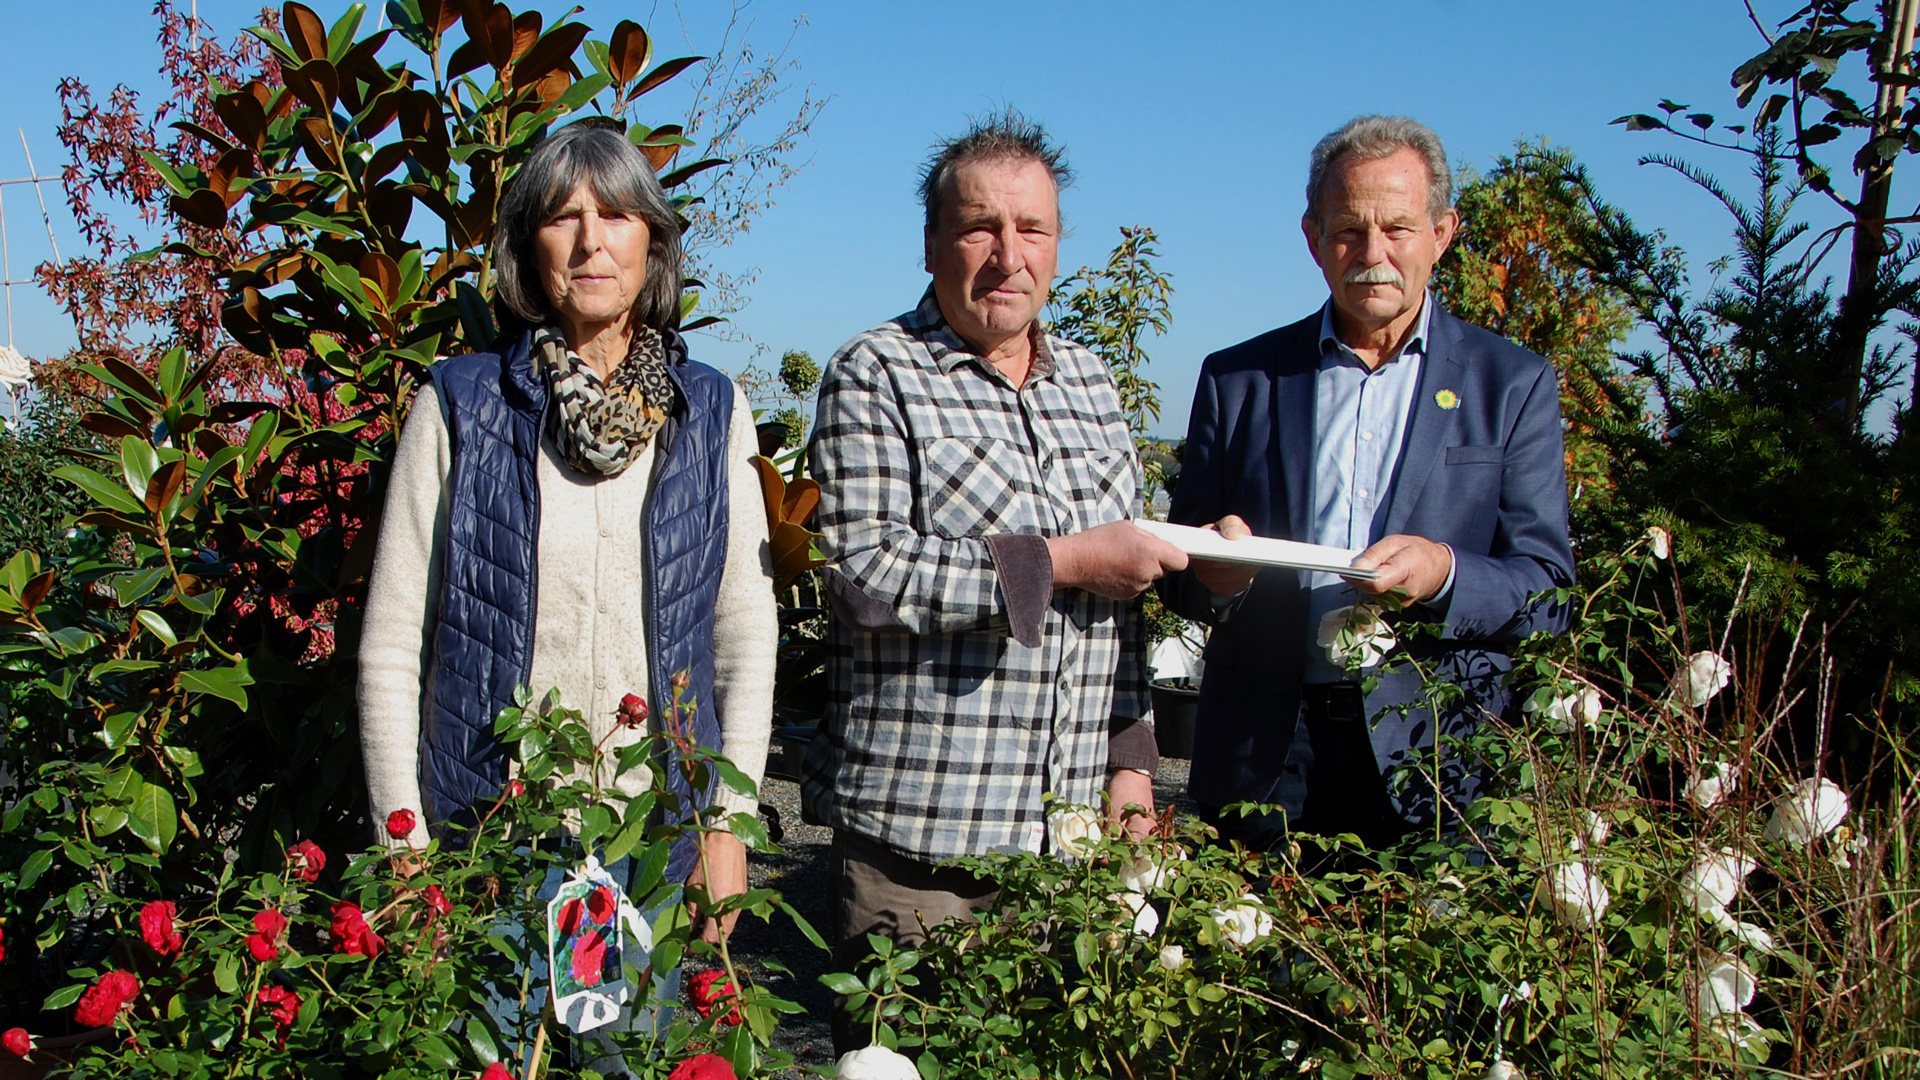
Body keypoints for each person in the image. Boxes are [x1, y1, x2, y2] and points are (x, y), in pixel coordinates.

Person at [356, 120, 777, 1064]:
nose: (593, 241)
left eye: (618, 214)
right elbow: (393, 642)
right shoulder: (461, 404)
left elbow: (745, 633)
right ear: (527, 247)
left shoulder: (711, 410)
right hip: (490, 842)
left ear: (653, 243)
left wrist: (729, 830)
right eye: (563, 216)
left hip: (654, 843)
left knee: (627, 1063)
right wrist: (407, 847)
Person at [801, 110, 1193, 1051]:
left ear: (1058, 247)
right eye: (979, 227)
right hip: (923, 851)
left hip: (1068, 850)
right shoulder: (877, 371)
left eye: (1033, 230)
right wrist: (1064, 559)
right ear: (933, 243)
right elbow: (860, 574)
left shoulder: (1094, 388)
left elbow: (1116, 621)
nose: (1006, 254)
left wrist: (1132, 768)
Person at [1160, 115, 1575, 852]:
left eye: (1399, 229)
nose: (1372, 254)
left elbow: (1547, 590)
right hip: (1263, 754)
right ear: (1312, 237)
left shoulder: (1510, 384)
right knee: (1254, 968)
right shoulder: (1240, 379)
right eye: (1349, 229)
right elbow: (1180, 575)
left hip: (1434, 763)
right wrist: (1215, 578)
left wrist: (1445, 572)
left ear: (1443, 233)